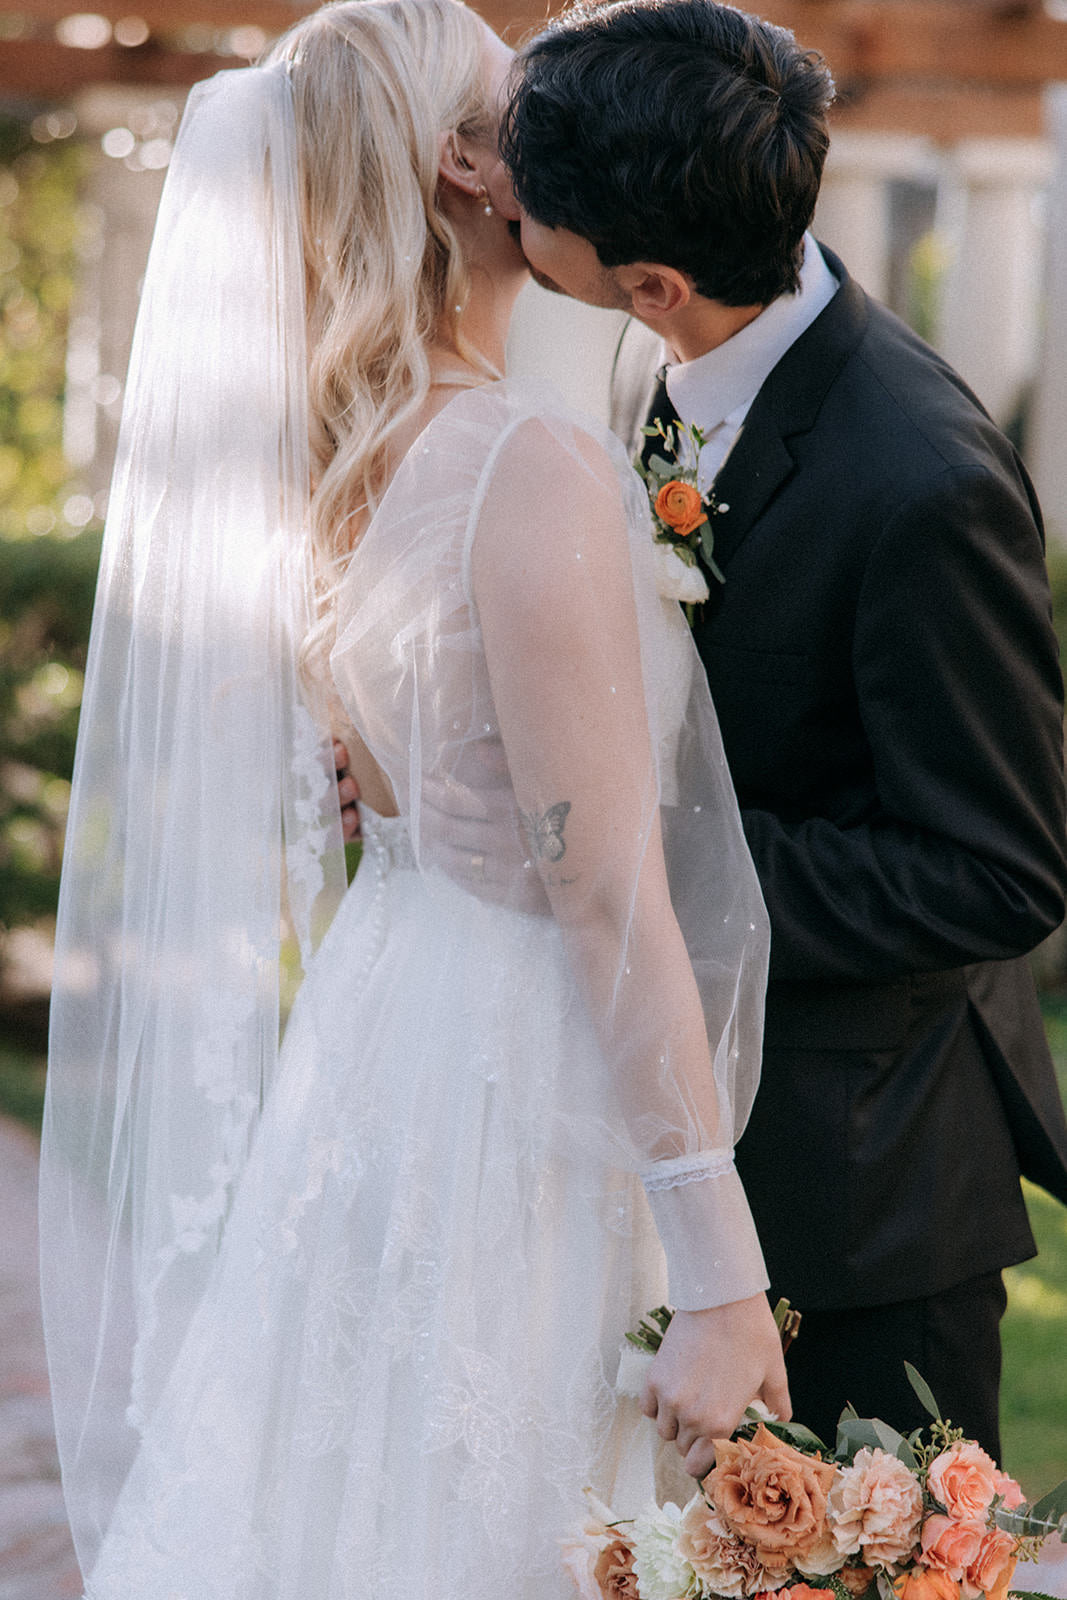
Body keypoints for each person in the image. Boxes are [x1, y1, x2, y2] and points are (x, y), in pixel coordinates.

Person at [40, 2, 790, 1596]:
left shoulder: (347, 455)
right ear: (465, 164)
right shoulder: (529, 461)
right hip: (515, 1064)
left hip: (390, 1029)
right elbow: (599, 887)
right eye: (519, 97)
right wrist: (722, 1273)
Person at [487, 0, 1067, 1458]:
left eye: (527, 207)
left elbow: (998, 874)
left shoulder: (923, 484)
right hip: (692, 1129)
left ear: (653, 281)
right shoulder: (658, 356)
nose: (496, 202)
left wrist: (648, 859)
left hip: (858, 1192)